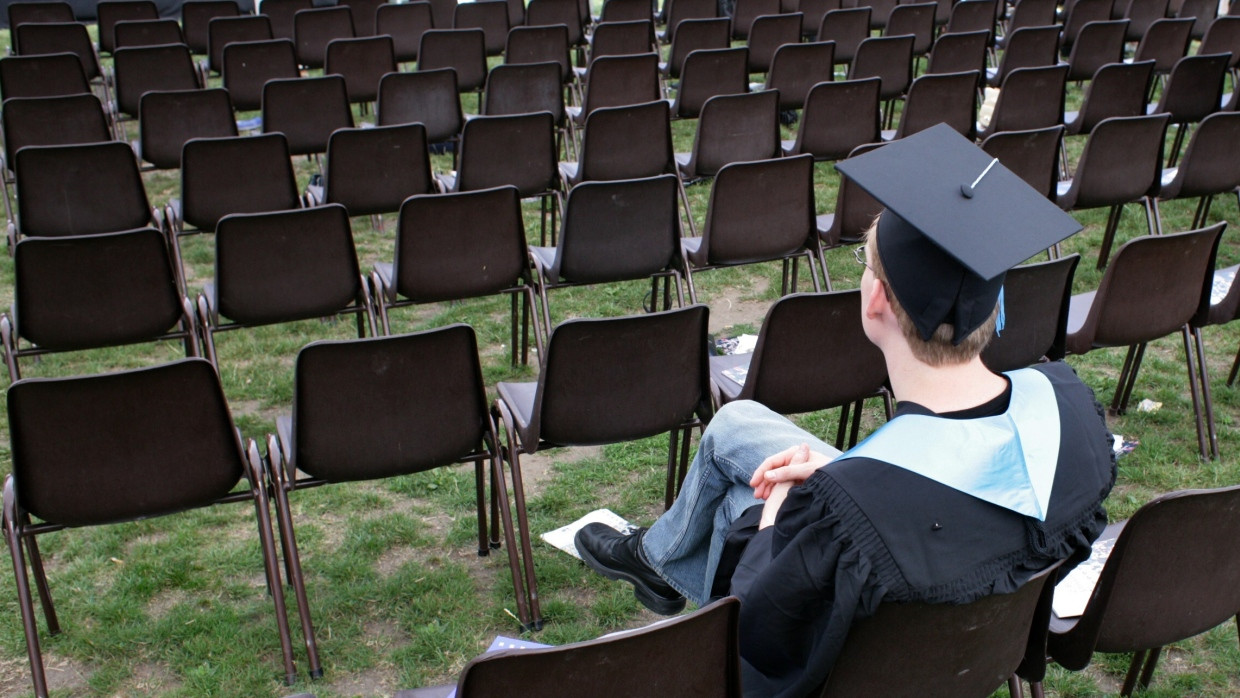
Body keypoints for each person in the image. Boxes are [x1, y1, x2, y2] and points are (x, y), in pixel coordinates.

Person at [574, 124, 1117, 697]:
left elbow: (761, 633)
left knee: (746, 498)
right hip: (967, 655)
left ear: (877, 299)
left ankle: (655, 558)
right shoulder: (1068, 409)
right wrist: (841, 482)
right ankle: (654, 555)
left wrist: (783, 515)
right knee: (739, 433)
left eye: (866, 262)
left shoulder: (846, 519)